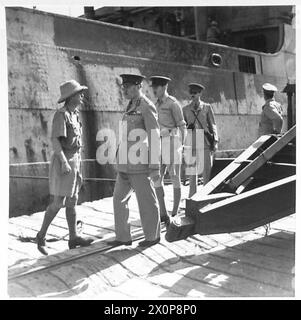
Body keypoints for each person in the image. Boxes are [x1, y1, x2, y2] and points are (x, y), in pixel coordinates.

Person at [36, 80, 94, 255]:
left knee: (72, 200)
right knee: (58, 202)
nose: (82, 95)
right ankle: (41, 236)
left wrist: (76, 164)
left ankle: (73, 237)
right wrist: (63, 161)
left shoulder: (74, 114)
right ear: (71, 97)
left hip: (75, 161)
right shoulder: (61, 115)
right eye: (79, 93)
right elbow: (55, 140)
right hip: (64, 162)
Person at [107, 74, 161, 248]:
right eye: (124, 87)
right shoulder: (130, 106)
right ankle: (123, 237)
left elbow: (154, 136)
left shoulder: (146, 106)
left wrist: (154, 165)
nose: (124, 90)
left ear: (138, 86)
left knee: (146, 201)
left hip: (139, 163)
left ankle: (152, 237)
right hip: (125, 163)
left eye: (128, 86)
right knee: (118, 199)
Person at [149, 76, 187, 222]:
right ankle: (163, 212)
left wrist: (182, 146)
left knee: (174, 177)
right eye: (153, 87)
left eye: (156, 87)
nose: (153, 90)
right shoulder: (155, 105)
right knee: (157, 177)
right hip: (158, 144)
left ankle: (175, 211)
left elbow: (182, 126)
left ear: (164, 87)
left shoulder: (173, 104)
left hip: (171, 143)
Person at [183, 83, 218, 197]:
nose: (192, 95)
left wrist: (215, 141)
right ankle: (192, 196)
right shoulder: (185, 109)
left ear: (200, 94)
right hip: (191, 142)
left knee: (207, 171)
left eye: (195, 92)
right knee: (192, 172)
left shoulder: (207, 107)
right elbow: (182, 126)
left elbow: (213, 125)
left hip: (205, 142)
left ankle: (205, 195)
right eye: (191, 92)